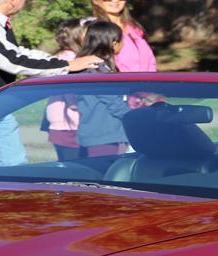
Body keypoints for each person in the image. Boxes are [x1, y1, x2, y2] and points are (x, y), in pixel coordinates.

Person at [0, 1, 104, 170]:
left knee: (12, 162)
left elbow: (16, 52)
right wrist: (67, 66)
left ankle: (11, 195)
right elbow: (10, 60)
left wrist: (66, 62)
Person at [74, 21, 131, 158]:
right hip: (104, 136)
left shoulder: (90, 68)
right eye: (122, 40)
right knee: (103, 175)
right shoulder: (97, 70)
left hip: (97, 134)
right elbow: (113, 102)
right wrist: (135, 118)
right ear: (114, 43)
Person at [45, 19, 88, 161]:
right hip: (69, 124)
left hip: (65, 124)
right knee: (75, 168)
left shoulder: (64, 58)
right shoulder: (71, 60)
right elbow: (71, 92)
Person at [87, 0, 156, 73]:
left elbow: (150, 61)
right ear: (95, 1)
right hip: (119, 82)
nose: (115, 0)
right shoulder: (94, 30)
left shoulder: (135, 29)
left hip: (148, 82)